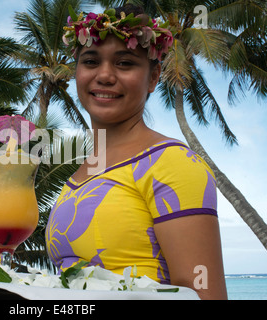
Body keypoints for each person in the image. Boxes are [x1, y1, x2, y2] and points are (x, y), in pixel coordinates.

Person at [45, 4, 227, 300]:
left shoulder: (172, 163)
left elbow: (204, 295)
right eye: (91, 61)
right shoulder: (80, 175)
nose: (104, 75)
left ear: (153, 78)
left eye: (125, 63)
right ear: (77, 72)